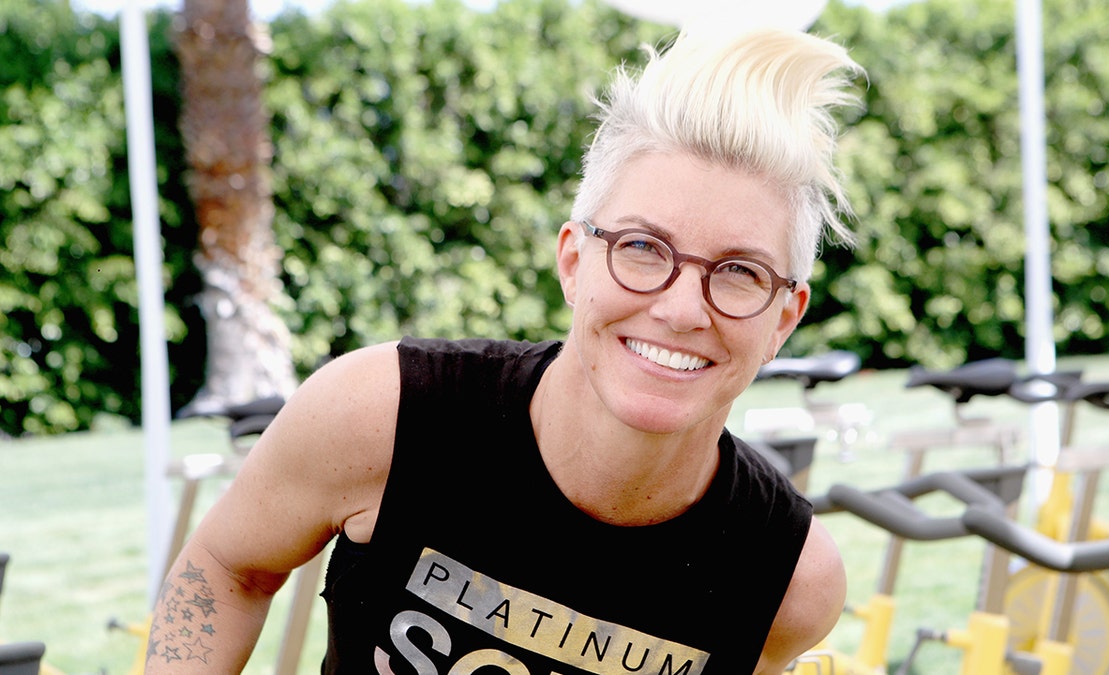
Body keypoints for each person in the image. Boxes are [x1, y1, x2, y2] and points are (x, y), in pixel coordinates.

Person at [144, 23, 863, 675]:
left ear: (783, 318)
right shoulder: (385, 415)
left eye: (739, 272)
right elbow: (228, 567)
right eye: (643, 248)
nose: (679, 309)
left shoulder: (790, 580)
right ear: (573, 261)